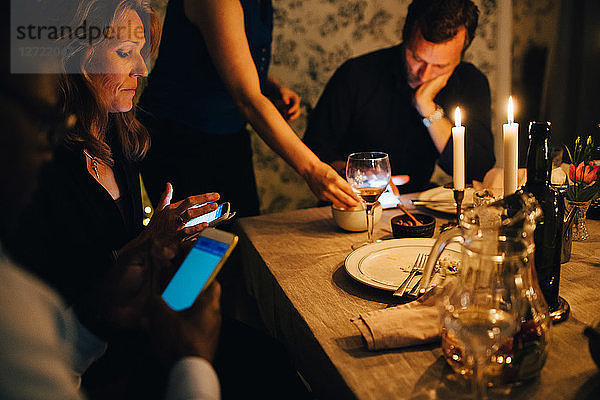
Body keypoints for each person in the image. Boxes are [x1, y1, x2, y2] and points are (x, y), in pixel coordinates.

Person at [0, 30, 222, 400]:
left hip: (119, 341)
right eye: (124, 52)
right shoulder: (13, 307)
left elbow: (70, 343)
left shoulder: (119, 139)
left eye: (143, 53)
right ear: (77, 61)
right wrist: (192, 359)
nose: (142, 68)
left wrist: (148, 247)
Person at [138, 0, 359, 216]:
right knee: (198, 244)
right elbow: (248, 100)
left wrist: (269, 85)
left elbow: (229, 57)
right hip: (178, 137)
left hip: (227, 131)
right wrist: (313, 170)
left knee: (241, 230)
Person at [303, 0, 496, 193]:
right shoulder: (356, 74)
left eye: (440, 66)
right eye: (417, 58)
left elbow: (478, 169)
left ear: (460, 56)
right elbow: (314, 152)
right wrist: (361, 176)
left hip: (418, 203)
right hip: (355, 203)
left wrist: (427, 107)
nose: (424, 75)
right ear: (405, 39)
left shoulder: (471, 81)